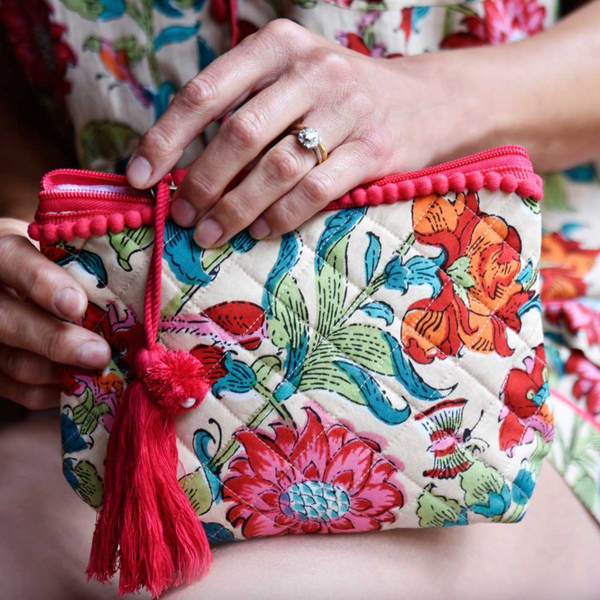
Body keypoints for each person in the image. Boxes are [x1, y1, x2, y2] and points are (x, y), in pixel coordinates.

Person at [0, 0, 599, 598]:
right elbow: (23, 113)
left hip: (524, 322)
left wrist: (443, 97)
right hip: (133, 374)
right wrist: (26, 251)